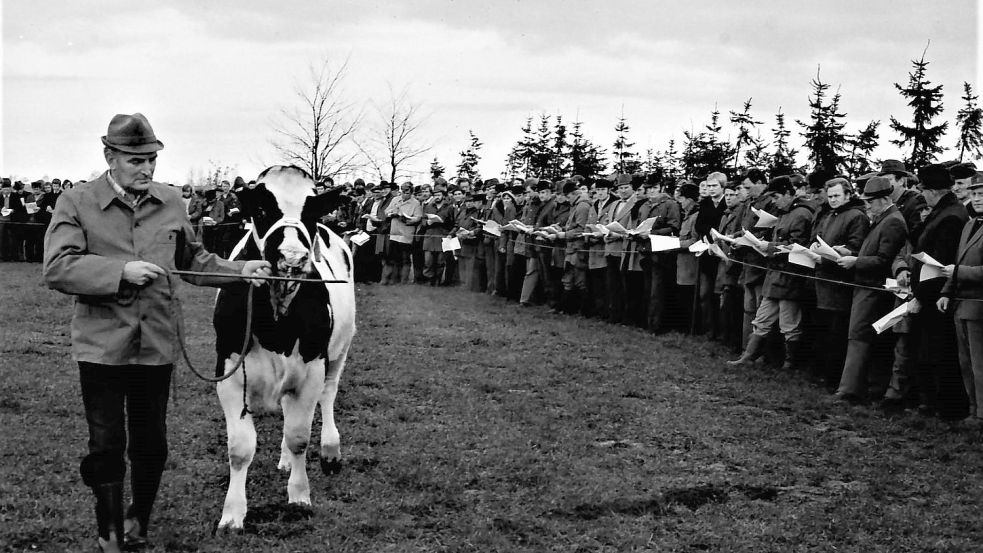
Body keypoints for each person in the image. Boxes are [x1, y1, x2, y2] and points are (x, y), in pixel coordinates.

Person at [42, 113, 271, 552]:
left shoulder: (171, 202)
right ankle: (109, 535)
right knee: (107, 444)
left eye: (151, 159)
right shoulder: (76, 202)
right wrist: (120, 271)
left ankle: (137, 523)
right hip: (102, 348)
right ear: (110, 157)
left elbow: (195, 261)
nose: (146, 169)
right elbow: (57, 267)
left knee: (152, 444)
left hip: (156, 347)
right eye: (135, 160)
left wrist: (241, 269)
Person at [728, 176, 816, 369]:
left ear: (787, 193)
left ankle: (789, 364)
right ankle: (749, 356)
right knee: (762, 319)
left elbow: (798, 245)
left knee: (789, 323)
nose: (774, 202)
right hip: (775, 275)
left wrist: (768, 246)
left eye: (776, 197)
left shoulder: (801, 214)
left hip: (791, 276)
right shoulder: (785, 213)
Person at [834, 176, 908, 402]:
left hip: (874, 291)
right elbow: (874, 254)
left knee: (860, 338)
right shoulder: (883, 218)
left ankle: (849, 390)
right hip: (867, 290)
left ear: (884, 199)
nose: (867, 206)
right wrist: (852, 255)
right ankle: (861, 388)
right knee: (861, 338)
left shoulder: (893, 221)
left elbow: (884, 260)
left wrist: (856, 262)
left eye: (870, 201)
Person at [905, 164, 969, 419]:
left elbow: (939, 261)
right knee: (927, 350)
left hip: (935, 295)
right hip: (931, 291)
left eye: (924, 189)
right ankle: (930, 402)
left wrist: (921, 296)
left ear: (933, 190)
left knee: (936, 352)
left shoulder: (951, 216)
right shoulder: (942, 211)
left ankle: (943, 406)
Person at [808, 178, 869, 389]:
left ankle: (832, 378)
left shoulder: (856, 216)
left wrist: (833, 254)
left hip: (840, 284)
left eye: (837, 196)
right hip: (823, 281)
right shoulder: (829, 215)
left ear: (848, 195)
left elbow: (856, 246)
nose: (833, 200)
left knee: (836, 334)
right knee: (823, 331)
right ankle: (821, 373)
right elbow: (819, 238)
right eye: (830, 196)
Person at [940, 171, 983, 425]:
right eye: (975, 194)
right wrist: (947, 290)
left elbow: (960, 268)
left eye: (982, 194)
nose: (977, 199)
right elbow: (957, 261)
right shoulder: (969, 224)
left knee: (980, 363)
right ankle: (973, 409)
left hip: (979, 305)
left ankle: (980, 414)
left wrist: (959, 273)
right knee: (966, 361)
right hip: (961, 304)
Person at [384, 182, 423, 284]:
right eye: (402, 192)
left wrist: (407, 219)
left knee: (405, 259)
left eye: (407, 192)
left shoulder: (416, 203)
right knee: (392, 258)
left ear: (411, 192)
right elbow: (386, 211)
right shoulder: (395, 199)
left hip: (406, 235)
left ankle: (403, 280)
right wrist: (392, 213)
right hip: (394, 233)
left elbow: (418, 218)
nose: (404, 194)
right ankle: (391, 279)